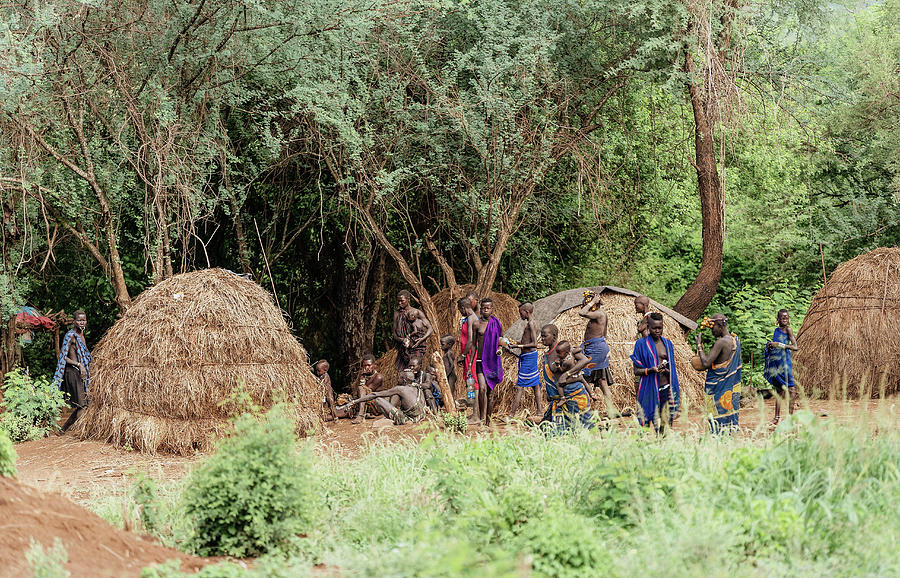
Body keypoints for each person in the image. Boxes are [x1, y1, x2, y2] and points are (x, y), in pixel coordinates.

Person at [630, 313, 681, 434]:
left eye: (660, 328)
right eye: (654, 328)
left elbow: (672, 370)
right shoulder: (641, 344)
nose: (657, 331)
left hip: (666, 389)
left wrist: (666, 370)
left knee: (665, 426)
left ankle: (663, 449)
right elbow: (636, 371)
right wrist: (651, 370)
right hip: (649, 389)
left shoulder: (668, 344)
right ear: (648, 327)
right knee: (644, 424)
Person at [538, 326, 594, 432]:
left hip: (572, 396)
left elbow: (585, 360)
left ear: (554, 336)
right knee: (549, 431)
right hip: (558, 399)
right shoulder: (552, 353)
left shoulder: (564, 350)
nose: (542, 339)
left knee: (582, 430)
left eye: (545, 336)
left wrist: (567, 374)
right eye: (541, 336)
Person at [694, 314, 742, 433]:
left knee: (718, 421)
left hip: (718, 388)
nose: (712, 331)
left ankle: (718, 442)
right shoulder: (735, 340)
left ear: (720, 326)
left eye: (713, 327)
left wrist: (699, 345)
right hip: (730, 388)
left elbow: (705, 363)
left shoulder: (721, 343)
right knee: (730, 418)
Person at [52, 310, 92, 432]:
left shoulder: (81, 335)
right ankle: (81, 432)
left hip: (81, 373)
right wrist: (79, 364)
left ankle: (63, 429)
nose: (82, 322)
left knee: (83, 403)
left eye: (84, 320)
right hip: (72, 372)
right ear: (74, 322)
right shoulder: (70, 335)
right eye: (79, 320)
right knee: (82, 405)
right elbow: (63, 356)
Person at [504, 303, 543, 419]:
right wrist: (517, 343)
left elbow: (534, 344)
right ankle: (540, 412)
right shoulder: (530, 323)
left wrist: (517, 347)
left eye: (521, 312)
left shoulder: (531, 324)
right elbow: (527, 341)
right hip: (529, 356)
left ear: (527, 312)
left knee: (520, 385)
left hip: (529, 357)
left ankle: (511, 415)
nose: (520, 314)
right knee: (535, 385)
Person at [578, 291, 613, 408]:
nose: (584, 306)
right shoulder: (600, 315)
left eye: (586, 304)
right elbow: (605, 334)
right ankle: (610, 410)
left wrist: (592, 301)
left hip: (596, 350)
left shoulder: (599, 314)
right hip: (597, 348)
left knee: (583, 378)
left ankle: (584, 409)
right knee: (602, 381)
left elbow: (581, 313)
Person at [764, 309, 799, 425]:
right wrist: (771, 346)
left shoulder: (788, 330)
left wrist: (778, 345)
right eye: (782, 318)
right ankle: (777, 417)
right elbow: (775, 346)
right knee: (779, 390)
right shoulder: (776, 330)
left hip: (786, 363)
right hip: (777, 364)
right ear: (777, 320)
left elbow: (795, 347)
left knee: (791, 389)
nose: (785, 319)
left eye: (787, 318)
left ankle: (790, 417)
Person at [473, 298, 503, 425]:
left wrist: (500, 348)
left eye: (488, 307)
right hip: (480, 360)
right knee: (482, 389)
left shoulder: (497, 323)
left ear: (492, 309)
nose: (485, 309)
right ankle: (481, 418)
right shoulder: (476, 324)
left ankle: (488, 422)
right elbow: (474, 344)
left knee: (490, 393)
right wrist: (470, 363)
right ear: (480, 309)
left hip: (492, 362)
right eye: (483, 307)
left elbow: (501, 339)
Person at [337, 383, 427, 426]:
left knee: (378, 399)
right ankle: (392, 416)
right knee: (395, 395)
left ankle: (390, 418)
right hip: (419, 417)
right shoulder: (418, 388)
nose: (398, 379)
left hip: (408, 420)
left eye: (400, 377)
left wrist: (354, 402)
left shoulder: (400, 389)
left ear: (403, 379)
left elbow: (375, 394)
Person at [457, 297, 480, 423]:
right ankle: (474, 414)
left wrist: (464, 355)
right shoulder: (469, 318)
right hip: (468, 355)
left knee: (474, 384)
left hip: (472, 355)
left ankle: (476, 415)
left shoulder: (472, 319)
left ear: (463, 308)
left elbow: (471, 340)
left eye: (460, 310)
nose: (460, 313)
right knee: (470, 383)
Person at [352, 354, 384, 424]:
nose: (366, 367)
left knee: (362, 388)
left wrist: (362, 376)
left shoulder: (378, 377)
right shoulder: (362, 373)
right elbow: (356, 388)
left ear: (374, 365)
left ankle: (360, 415)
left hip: (375, 404)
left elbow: (368, 391)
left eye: (369, 365)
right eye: (364, 365)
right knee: (345, 408)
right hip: (363, 402)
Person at [392, 290, 414, 371]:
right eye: (398, 301)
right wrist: (402, 340)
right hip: (400, 346)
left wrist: (410, 341)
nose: (399, 303)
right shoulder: (396, 313)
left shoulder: (415, 312)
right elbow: (394, 333)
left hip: (413, 346)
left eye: (402, 301)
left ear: (408, 299)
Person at [440, 335, 459, 400]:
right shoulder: (446, 353)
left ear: (449, 344)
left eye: (442, 345)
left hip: (451, 375)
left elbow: (452, 365)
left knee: (450, 392)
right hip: (449, 374)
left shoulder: (449, 353)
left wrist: (447, 374)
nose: (441, 347)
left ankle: (452, 406)